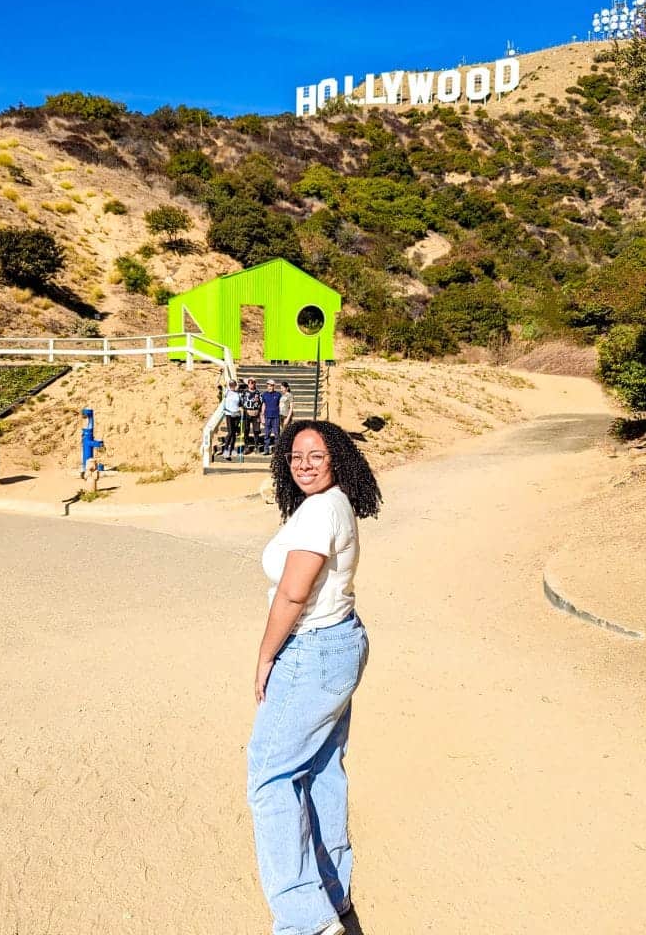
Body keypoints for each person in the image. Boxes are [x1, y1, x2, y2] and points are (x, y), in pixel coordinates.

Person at [247, 420, 382, 935]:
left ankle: (305, 920)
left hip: (312, 651)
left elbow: (293, 595)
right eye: (295, 456)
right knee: (321, 767)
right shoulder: (334, 503)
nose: (303, 464)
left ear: (337, 459)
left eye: (316, 456)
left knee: (271, 775)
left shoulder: (320, 512)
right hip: (341, 643)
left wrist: (265, 656)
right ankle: (331, 888)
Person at [241, 377, 263, 453]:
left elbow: (262, 403)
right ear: (248, 384)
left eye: (253, 382)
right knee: (246, 430)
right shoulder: (244, 392)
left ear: (255, 383)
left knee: (256, 431)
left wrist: (260, 414)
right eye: (250, 382)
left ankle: (256, 446)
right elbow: (240, 402)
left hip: (256, 413)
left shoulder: (258, 393)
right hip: (247, 413)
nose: (251, 384)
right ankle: (246, 447)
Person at [221, 379, 241, 461]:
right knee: (230, 432)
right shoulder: (226, 392)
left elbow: (239, 403)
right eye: (231, 385)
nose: (232, 386)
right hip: (229, 414)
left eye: (233, 384)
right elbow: (219, 385)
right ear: (229, 385)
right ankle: (225, 450)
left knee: (234, 433)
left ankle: (232, 449)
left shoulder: (238, 393)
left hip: (237, 414)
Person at [260, 379, 282, 455]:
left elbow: (280, 405)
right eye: (268, 385)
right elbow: (264, 405)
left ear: (274, 386)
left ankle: (277, 450)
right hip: (267, 416)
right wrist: (262, 416)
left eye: (271, 385)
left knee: (277, 434)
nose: (270, 387)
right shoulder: (264, 394)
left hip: (276, 416)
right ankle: (266, 450)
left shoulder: (278, 394)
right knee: (267, 434)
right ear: (267, 386)